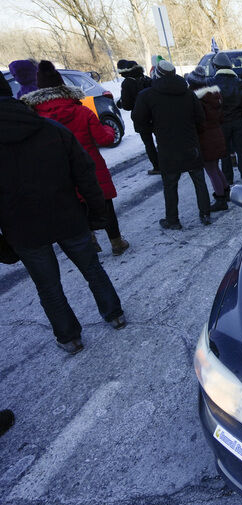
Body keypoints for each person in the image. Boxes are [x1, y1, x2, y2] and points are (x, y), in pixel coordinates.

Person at [0, 75, 126, 354]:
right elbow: (85, 174)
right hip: (67, 216)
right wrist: (96, 213)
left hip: (24, 229)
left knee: (48, 286)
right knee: (92, 268)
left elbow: (83, 173)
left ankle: (69, 337)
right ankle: (114, 313)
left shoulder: (51, 128)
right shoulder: (51, 129)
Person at [23, 61, 130, 256]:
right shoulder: (82, 111)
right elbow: (105, 138)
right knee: (105, 205)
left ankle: (90, 242)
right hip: (92, 168)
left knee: (78, 208)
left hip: (60, 173)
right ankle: (116, 242)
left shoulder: (36, 119)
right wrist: (106, 127)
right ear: (63, 86)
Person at [132, 60, 212, 229]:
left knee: (170, 185)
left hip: (167, 147)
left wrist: (154, 128)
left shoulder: (148, 95)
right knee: (199, 181)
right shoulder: (188, 93)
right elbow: (200, 118)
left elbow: (138, 119)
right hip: (190, 144)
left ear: (157, 74)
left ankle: (173, 220)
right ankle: (205, 213)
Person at [211, 52, 242, 185]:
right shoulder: (240, 83)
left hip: (222, 123)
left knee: (224, 152)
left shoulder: (212, 83)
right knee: (241, 149)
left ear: (216, 67)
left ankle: (228, 178)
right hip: (238, 121)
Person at [187, 68, 229, 212]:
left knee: (211, 170)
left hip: (206, 139)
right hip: (217, 134)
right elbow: (221, 118)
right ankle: (225, 191)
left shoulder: (198, 100)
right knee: (216, 167)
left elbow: (200, 123)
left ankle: (221, 198)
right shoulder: (214, 96)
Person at [117, 59, 159, 175]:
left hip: (140, 118)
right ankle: (168, 163)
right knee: (160, 140)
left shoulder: (127, 83)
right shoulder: (147, 79)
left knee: (149, 143)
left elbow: (127, 105)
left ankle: (157, 167)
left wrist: (120, 103)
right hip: (154, 115)